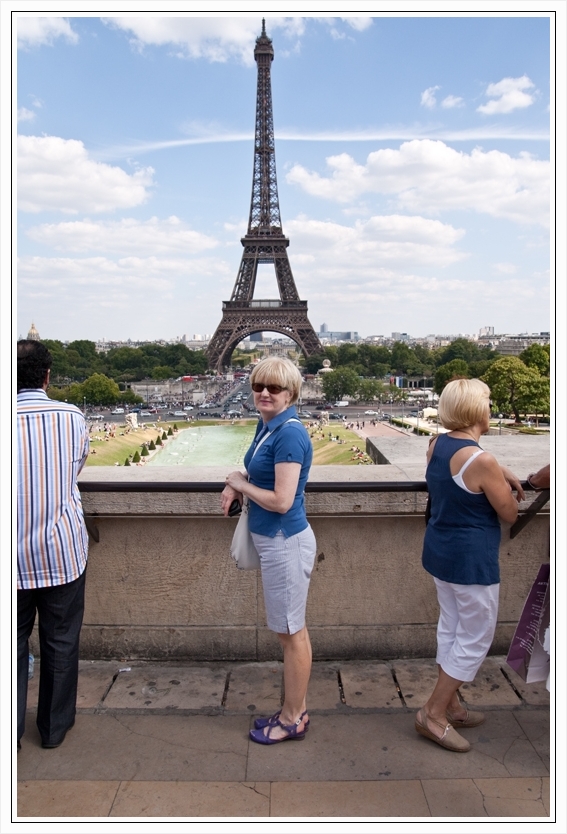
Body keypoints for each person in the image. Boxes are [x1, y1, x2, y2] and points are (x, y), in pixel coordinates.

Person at [416, 378, 524, 753]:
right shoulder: (482, 461)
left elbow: (466, 471)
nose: (491, 407)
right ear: (479, 410)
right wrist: (500, 476)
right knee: (476, 637)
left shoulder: (436, 445)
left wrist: (498, 470)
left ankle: (451, 703)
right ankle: (433, 712)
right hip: (471, 560)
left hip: (440, 551)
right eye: (489, 401)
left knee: (452, 627)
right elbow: (509, 513)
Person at [221, 357, 315, 745]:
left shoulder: (289, 433)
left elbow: (280, 500)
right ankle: (296, 708)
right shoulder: (268, 425)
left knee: (291, 633)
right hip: (276, 541)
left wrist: (239, 486)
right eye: (258, 386)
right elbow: (257, 472)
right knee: (289, 631)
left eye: (273, 388)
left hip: (284, 542)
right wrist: (238, 479)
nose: (263, 393)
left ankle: (293, 718)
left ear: (291, 393)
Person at [17, 340, 90, 750]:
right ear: (48, 376)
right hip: (59, 551)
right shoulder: (72, 417)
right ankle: (54, 728)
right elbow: (75, 468)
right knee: (61, 641)